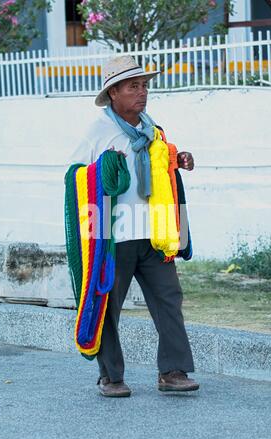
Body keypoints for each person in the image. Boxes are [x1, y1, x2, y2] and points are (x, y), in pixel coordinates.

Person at [70, 55, 199, 397]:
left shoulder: (152, 129)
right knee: (109, 304)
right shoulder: (97, 132)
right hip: (115, 235)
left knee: (169, 299)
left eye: (144, 86)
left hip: (154, 232)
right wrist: (103, 170)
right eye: (133, 86)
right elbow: (75, 178)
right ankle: (111, 377)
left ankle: (172, 371)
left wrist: (178, 160)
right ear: (113, 93)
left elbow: (161, 169)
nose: (142, 93)